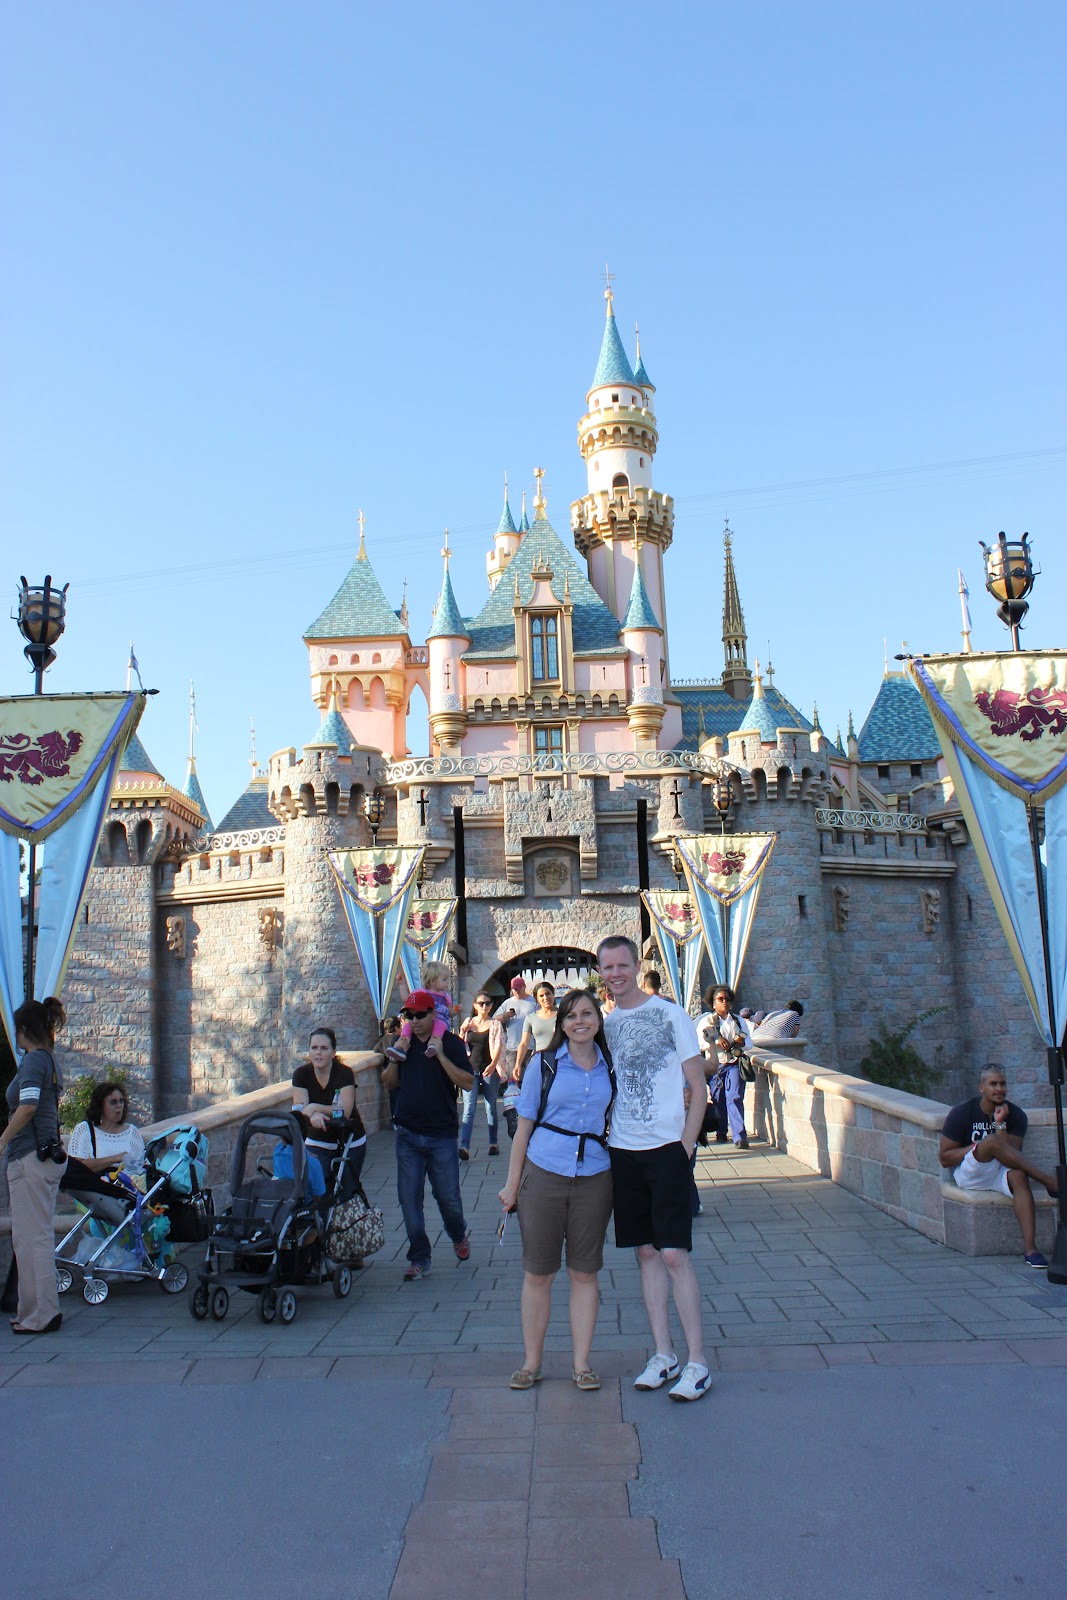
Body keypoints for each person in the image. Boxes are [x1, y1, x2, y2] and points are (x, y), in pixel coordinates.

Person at [598, 935, 711, 1402]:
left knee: (673, 1255)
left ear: (635, 964)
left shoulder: (671, 1015)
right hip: (624, 1151)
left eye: (622, 965)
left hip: (667, 1148)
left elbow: (698, 1086)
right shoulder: (606, 1025)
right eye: (607, 968)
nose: (616, 974)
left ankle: (698, 1361)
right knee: (645, 1254)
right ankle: (663, 1354)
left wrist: (685, 1146)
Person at [499, 989, 616, 1392]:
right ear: (560, 1023)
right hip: (545, 1171)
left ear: (598, 1020)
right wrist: (512, 1184)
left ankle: (582, 1363)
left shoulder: (610, 1067)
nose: (579, 1021)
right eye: (571, 1016)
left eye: (587, 1014)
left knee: (585, 1272)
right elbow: (524, 1127)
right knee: (539, 1272)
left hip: (595, 1177)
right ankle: (531, 1362)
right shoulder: (543, 1065)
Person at [381, 989, 474, 1281]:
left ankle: (457, 1233)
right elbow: (388, 1083)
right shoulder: (402, 1043)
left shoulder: (451, 1043)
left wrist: (441, 1057)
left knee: (448, 1198)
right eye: (410, 1015)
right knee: (409, 1199)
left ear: (433, 1014)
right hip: (407, 1134)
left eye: (421, 1014)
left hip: (441, 1136)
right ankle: (420, 1257)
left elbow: (469, 1083)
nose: (416, 1020)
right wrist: (396, 1059)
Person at [940, 1064, 1059, 1268]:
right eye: (993, 1083)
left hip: (997, 1171)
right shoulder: (962, 1113)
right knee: (992, 1142)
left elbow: (1011, 1156)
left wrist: (1000, 1124)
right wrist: (979, 1147)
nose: (999, 1088)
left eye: (1003, 1083)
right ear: (981, 1088)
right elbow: (944, 1158)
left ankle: (1031, 1250)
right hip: (970, 1174)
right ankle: (1049, 1181)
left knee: (1019, 1175)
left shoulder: (1015, 1114)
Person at [0, 997, 68, 1334]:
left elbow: (27, 1107)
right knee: (31, 1237)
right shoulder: (48, 1061)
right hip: (40, 1159)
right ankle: (32, 1312)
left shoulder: (33, 1062)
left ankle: (42, 1315)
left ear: (24, 1030)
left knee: (32, 1239)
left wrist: (2, 1140)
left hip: (29, 1159)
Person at [291, 1026, 367, 1195]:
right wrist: (313, 1114)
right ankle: (324, 1222)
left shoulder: (344, 1073)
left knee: (347, 1193)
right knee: (319, 1193)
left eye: (324, 1048)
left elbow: (345, 1111)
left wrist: (315, 1108)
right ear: (309, 1051)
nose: (318, 1053)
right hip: (317, 1142)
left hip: (349, 1141)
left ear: (333, 1052)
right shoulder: (301, 1075)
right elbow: (300, 1111)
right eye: (314, 1048)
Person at [65, 1080, 147, 1224]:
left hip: (125, 1194)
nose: (119, 1106)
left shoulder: (132, 1132)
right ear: (100, 1106)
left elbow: (140, 1166)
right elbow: (77, 1168)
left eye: (121, 1101)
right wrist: (114, 1159)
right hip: (94, 1195)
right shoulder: (85, 1130)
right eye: (113, 1102)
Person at [697, 985, 749, 1150]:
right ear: (713, 1003)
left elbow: (749, 1042)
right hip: (716, 1065)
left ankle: (739, 1136)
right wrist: (715, 1041)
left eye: (727, 999)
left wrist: (741, 1043)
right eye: (720, 999)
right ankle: (721, 1130)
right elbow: (700, 1042)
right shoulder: (707, 1021)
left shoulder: (737, 1021)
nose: (724, 1002)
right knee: (718, 1098)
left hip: (733, 1063)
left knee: (734, 1096)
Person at [457, 992, 507, 1159]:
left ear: (491, 1005)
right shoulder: (468, 1024)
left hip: (488, 1070)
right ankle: (465, 1147)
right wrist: (462, 1032)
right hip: (470, 1070)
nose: (484, 1006)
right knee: (468, 1109)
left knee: (490, 1107)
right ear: (475, 1005)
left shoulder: (495, 1024)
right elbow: (461, 1045)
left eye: (487, 1003)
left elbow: (499, 1045)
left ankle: (493, 1143)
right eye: (481, 1003)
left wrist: (493, 1066)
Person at [386, 960, 456, 1063]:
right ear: (433, 981)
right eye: (444, 980)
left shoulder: (446, 996)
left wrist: (456, 1010)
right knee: (407, 1026)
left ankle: (433, 1044)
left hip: (440, 1020)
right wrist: (401, 984)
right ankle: (402, 1045)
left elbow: (450, 1012)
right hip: (423, 1021)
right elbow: (407, 999)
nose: (447, 983)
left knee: (440, 1025)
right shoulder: (421, 992)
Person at [496, 976, 537, 1082]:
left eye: (519, 988)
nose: (517, 991)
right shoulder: (507, 1003)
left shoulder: (534, 1002)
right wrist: (506, 1015)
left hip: (530, 1046)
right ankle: (514, 1097)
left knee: (528, 1077)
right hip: (512, 1047)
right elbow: (495, 1019)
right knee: (513, 1077)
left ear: (524, 987)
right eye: (514, 989)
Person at [514, 982, 558, 1079]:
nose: (545, 998)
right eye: (541, 995)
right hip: (540, 1061)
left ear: (553, 994)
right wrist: (518, 1064)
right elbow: (524, 1043)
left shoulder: (563, 1015)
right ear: (536, 998)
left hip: (561, 1060)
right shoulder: (531, 1018)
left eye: (548, 993)